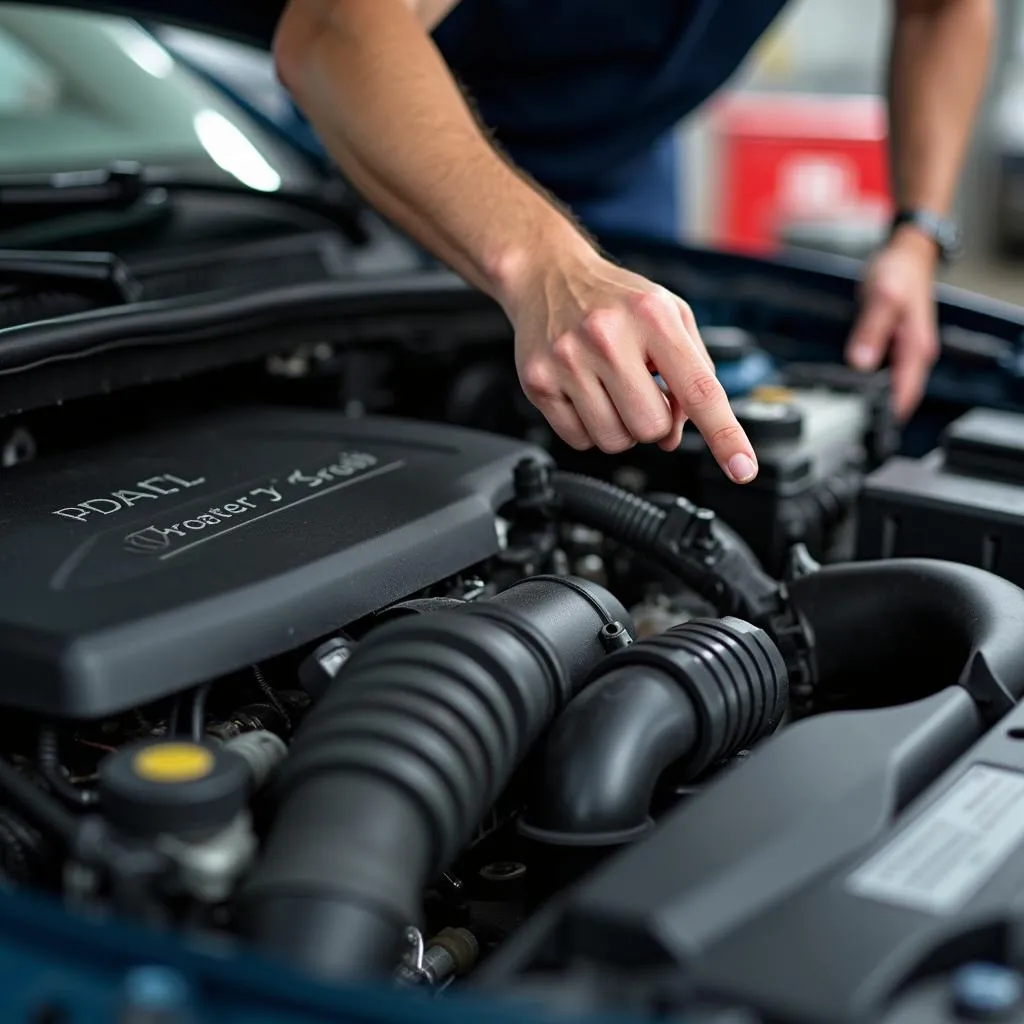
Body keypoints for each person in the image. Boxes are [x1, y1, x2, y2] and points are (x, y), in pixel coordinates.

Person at [272, 0, 993, 485]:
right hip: (396, 148)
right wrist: (543, 263)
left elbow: (945, 8)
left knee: (642, 420)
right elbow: (337, 31)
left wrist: (917, 233)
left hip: (619, 162)